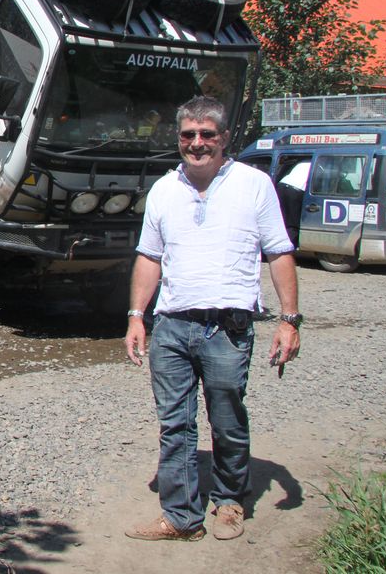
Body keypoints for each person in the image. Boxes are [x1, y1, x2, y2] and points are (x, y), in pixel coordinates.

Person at [123, 96, 301, 542]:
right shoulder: (164, 189)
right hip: (172, 327)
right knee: (175, 424)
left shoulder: (254, 184)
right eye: (188, 134)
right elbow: (149, 256)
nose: (197, 143)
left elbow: (279, 252)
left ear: (224, 138)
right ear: (178, 138)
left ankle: (228, 500)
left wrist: (290, 319)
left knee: (227, 419)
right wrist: (136, 316)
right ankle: (181, 518)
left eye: (206, 134)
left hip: (228, 328)